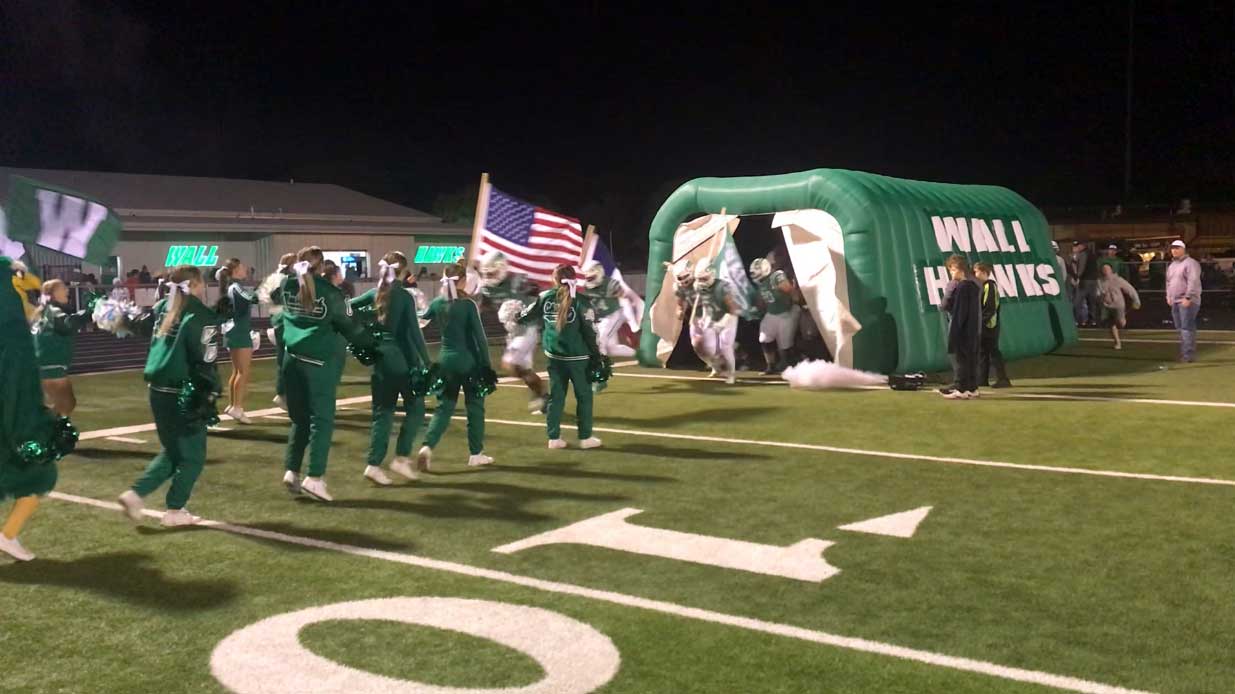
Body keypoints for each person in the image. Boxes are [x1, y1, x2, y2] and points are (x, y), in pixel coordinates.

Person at [116, 265, 220, 527]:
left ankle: (135, 494)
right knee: (193, 456)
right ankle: (175, 509)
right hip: (183, 390)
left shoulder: (163, 305)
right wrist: (212, 390)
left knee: (173, 450)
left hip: (158, 390)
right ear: (196, 284)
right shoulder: (200, 313)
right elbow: (206, 359)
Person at [278, 247, 373, 501]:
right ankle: (315, 477)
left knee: (299, 420)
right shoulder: (332, 293)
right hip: (318, 363)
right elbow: (351, 327)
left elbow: (268, 295)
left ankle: (292, 470)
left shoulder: (287, 285)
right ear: (321, 267)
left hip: (291, 360)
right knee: (322, 421)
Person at [0, 257, 65, 561]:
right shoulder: (14, 338)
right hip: (12, 422)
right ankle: (8, 534)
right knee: (39, 474)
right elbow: (15, 393)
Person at [350, 251, 430, 485]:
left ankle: (373, 465)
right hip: (402, 361)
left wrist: (364, 330)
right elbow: (414, 333)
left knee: (382, 414)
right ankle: (401, 458)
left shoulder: (374, 294)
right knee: (416, 409)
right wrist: (426, 361)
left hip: (380, 362)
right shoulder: (404, 297)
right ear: (403, 271)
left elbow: (346, 308)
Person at [416, 262, 494, 469]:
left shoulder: (438, 303)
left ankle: (427, 447)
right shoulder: (468, 305)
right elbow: (480, 338)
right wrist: (486, 365)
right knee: (475, 408)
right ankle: (476, 454)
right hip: (469, 362)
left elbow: (420, 322)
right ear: (462, 281)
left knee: (443, 409)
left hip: (445, 362)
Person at [519, 265, 603, 449]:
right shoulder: (581, 301)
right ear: (573, 278)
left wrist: (516, 313)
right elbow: (590, 332)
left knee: (556, 397)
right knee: (584, 397)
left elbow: (525, 316)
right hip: (579, 358)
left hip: (555, 357)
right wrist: (597, 355)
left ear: (554, 278)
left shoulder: (545, 297)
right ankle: (585, 437)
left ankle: (554, 438)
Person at [476, 252, 549, 412]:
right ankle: (543, 397)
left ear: (502, 268)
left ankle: (542, 394)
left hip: (527, 329)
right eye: (486, 273)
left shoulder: (518, 282)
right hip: (512, 332)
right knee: (524, 370)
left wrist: (532, 292)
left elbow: (539, 297)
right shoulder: (487, 288)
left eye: (492, 273)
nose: (489, 276)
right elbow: (482, 306)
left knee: (509, 364)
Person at [32, 279, 95, 415]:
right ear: (53, 294)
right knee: (65, 404)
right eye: (63, 288)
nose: (67, 290)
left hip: (46, 366)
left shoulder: (44, 312)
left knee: (66, 404)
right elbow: (67, 324)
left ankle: (44, 428)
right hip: (51, 367)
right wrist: (89, 312)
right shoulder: (52, 311)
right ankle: (41, 430)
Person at [215, 258, 256, 424]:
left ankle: (234, 406)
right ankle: (237, 407)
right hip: (239, 332)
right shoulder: (236, 288)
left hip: (234, 331)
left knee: (237, 371)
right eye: (241, 267)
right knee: (243, 372)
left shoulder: (233, 287)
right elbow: (253, 299)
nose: (245, 269)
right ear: (235, 271)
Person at [688, 261, 740, 384]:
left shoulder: (723, 287)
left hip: (728, 317)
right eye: (699, 279)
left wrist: (723, 323)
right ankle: (717, 368)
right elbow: (705, 304)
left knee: (725, 346)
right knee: (708, 348)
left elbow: (734, 309)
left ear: (712, 274)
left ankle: (731, 374)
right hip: (712, 317)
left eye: (704, 278)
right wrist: (702, 317)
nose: (701, 282)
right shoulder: (699, 287)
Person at [938, 254, 981, 399]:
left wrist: (956, 331)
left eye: (952, 269)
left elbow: (958, 312)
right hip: (973, 328)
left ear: (960, 269)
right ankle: (971, 387)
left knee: (961, 358)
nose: (951, 273)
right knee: (970, 358)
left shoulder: (962, 287)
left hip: (963, 329)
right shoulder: (974, 285)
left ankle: (961, 389)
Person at [579, 260, 639, 360]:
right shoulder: (584, 287)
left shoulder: (609, 283)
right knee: (611, 348)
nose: (588, 278)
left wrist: (618, 293)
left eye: (591, 276)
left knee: (600, 341)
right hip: (599, 319)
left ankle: (600, 363)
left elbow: (622, 293)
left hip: (612, 315)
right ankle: (636, 354)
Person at [749, 257, 799, 374]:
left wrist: (795, 299)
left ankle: (791, 366)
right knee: (764, 339)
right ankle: (771, 365)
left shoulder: (776, 275)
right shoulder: (761, 284)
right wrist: (755, 309)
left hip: (787, 312)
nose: (756, 277)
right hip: (772, 313)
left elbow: (788, 288)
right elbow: (762, 302)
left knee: (785, 344)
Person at [262, 253, 297, 410]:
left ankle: (283, 393)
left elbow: (264, 297)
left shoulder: (276, 278)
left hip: (279, 321)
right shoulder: (285, 279)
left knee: (284, 359)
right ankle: (283, 394)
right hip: (284, 322)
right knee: (287, 359)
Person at [973, 263, 1011, 388]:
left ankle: (1003, 379)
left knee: (994, 352)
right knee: (983, 352)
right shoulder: (983, 286)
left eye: (977, 271)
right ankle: (982, 379)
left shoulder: (990, 285)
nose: (975, 274)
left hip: (990, 325)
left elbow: (990, 307)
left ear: (984, 272)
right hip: (986, 324)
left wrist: (982, 322)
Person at [1165, 239, 1202, 362]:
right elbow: (1168, 282)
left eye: (1176, 248)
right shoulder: (1172, 265)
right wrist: (1169, 296)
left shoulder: (1191, 263)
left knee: (1186, 328)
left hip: (1186, 300)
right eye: (1172, 248)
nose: (1174, 250)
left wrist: (1188, 297)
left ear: (1183, 249)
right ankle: (1185, 353)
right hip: (1175, 300)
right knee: (1181, 328)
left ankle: (1188, 355)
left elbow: (1193, 281)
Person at [1097, 263, 1141, 350]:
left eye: (1107, 269)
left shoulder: (1118, 280)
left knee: (1121, 323)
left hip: (1118, 305)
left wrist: (1136, 300)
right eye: (1104, 269)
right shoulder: (1099, 281)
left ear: (1111, 270)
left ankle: (1122, 319)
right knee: (1111, 323)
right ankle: (1117, 342)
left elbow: (1130, 289)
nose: (1105, 271)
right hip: (1106, 306)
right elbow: (1097, 293)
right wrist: (1100, 297)